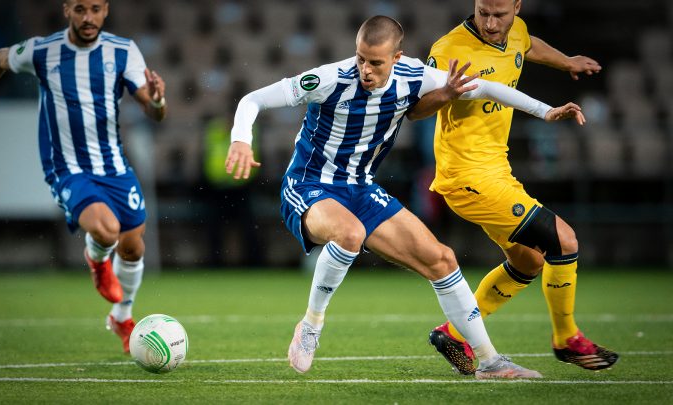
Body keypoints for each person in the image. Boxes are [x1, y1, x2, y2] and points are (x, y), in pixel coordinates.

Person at [225, 15, 584, 379]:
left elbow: (488, 88)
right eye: (360, 58)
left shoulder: (415, 76)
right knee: (349, 234)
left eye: (375, 62)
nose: (365, 69)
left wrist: (545, 110)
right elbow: (252, 100)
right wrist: (241, 137)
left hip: (361, 189)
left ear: (397, 58)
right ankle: (311, 325)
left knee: (442, 259)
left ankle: (490, 361)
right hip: (309, 185)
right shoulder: (331, 79)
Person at [407, 0, 618, 374]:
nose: (489, 23)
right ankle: (566, 337)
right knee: (564, 240)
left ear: (517, 8)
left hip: (497, 172)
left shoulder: (515, 31)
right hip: (467, 176)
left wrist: (567, 61)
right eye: (482, 12)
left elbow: (528, 44)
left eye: (499, 15)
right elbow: (415, 108)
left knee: (529, 260)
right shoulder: (448, 49)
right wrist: (448, 93)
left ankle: (455, 333)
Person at [0, 0, 167, 353]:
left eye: (95, 9)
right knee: (106, 229)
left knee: (133, 246)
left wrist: (158, 101)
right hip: (66, 168)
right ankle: (97, 260)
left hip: (114, 166)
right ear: (67, 9)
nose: (88, 18)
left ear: (106, 10)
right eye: (80, 9)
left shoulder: (123, 51)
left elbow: (153, 108)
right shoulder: (43, 51)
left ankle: (122, 317)